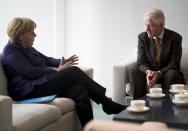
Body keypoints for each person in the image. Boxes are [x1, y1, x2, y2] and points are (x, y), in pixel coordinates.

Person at [2, 17, 126, 127]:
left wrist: (60, 62)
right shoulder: (10, 51)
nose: (35, 35)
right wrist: (55, 72)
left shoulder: (28, 47)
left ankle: (89, 127)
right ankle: (107, 103)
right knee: (74, 72)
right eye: (31, 32)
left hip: (40, 84)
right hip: (28, 91)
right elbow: (30, 72)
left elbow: (47, 59)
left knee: (79, 90)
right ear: (20, 34)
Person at [129, 8, 185, 99]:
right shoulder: (142, 37)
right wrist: (148, 72)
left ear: (161, 25)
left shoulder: (175, 37)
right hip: (149, 74)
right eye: (145, 25)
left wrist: (159, 73)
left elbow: (174, 64)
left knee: (172, 74)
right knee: (134, 72)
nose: (147, 29)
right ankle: (139, 104)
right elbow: (141, 62)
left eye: (150, 26)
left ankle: (167, 108)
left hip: (166, 74)